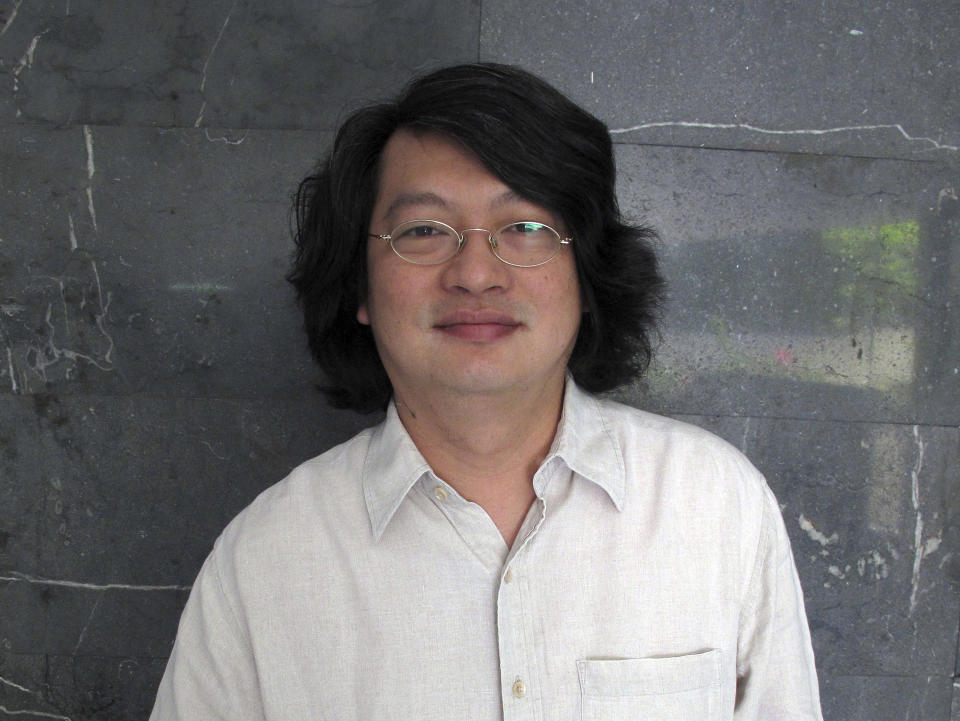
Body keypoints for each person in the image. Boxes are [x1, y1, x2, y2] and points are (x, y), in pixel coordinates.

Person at [150, 63, 823, 720]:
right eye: (424, 231)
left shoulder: (715, 508)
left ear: (586, 274)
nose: (476, 272)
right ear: (359, 283)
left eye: (525, 227)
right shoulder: (265, 561)